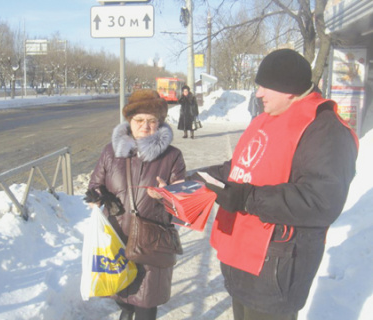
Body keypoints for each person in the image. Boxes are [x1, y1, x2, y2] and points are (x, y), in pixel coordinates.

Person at [189, 49, 359, 320]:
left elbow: (321, 200)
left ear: (289, 89)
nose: (258, 93)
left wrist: (246, 198)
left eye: (265, 86)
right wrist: (194, 180)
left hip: (276, 269)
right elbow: (239, 169)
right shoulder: (265, 120)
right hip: (242, 261)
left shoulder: (325, 129)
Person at [85, 89, 186, 320]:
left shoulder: (172, 157)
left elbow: (184, 203)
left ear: (160, 123)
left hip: (152, 243)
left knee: (146, 306)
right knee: (125, 301)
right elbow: (95, 185)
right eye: (139, 120)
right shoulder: (111, 152)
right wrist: (98, 198)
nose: (145, 126)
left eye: (152, 121)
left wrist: (168, 195)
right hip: (118, 239)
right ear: (129, 121)